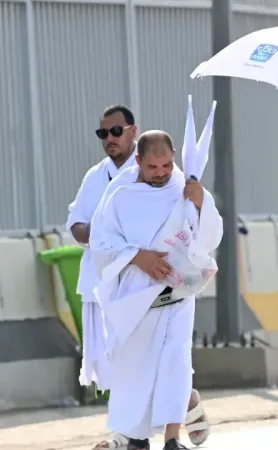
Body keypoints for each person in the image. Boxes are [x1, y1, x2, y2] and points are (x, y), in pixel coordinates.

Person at [90, 130, 222, 450]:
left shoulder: (186, 188)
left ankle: (172, 438)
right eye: (153, 167)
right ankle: (136, 438)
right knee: (137, 367)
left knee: (176, 360)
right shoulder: (119, 194)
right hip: (136, 294)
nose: (161, 172)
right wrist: (138, 257)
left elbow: (209, 236)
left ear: (174, 157)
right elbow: (101, 242)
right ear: (138, 161)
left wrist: (201, 202)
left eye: (166, 165)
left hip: (177, 291)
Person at [68, 105, 138, 398]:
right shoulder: (95, 176)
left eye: (116, 131)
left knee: (144, 359)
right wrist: (99, 233)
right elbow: (75, 223)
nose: (110, 138)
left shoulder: (152, 169)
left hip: (140, 280)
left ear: (133, 131)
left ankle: (181, 405)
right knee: (111, 366)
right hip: (100, 281)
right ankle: (131, 426)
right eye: (103, 133)